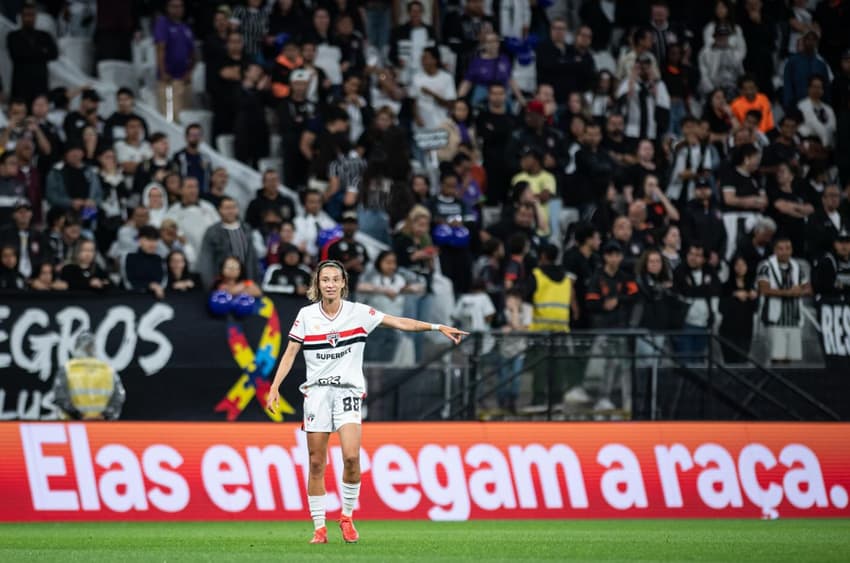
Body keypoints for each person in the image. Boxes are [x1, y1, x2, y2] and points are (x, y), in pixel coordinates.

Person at [265, 260, 466, 543]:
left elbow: (399, 322)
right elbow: (290, 352)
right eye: (325, 280)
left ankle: (346, 516)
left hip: (347, 392)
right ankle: (319, 528)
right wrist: (275, 386)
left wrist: (436, 326)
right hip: (317, 394)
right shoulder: (306, 315)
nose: (330, 284)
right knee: (316, 462)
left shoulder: (359, 313)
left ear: (344, 283)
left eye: (336, 279)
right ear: (318, 284)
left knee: (351, 457)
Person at [757, 237, 811, 363]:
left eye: (788, 248)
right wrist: (788, 293)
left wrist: (800, 291)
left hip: (794, 319)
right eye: (781, 249)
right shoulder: (766, 266)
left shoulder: (797, 267)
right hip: (775, 319)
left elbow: (808, 289)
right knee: (776, 358)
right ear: (775, 250)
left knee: (791, 360)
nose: (785, 252)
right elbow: (764, 289)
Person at [51, 331, 125, 420]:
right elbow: (118, 398)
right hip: (101, 425)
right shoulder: (108, 370)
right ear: (94, 348)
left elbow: (60, 398)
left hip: (73, 424)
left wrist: (79, 416)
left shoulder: (67, 370)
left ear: (76, 347)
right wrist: (104, 415)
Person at [198, 196, 260, 288]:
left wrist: (254, 281)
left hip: (246, 282)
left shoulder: (246, 229)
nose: (230, 211)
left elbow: (252, 257)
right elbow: (207, 260)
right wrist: (211, 284)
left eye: (233, 207)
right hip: (221, 283)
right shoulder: (212, 231)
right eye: (227, 208)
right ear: (220, 210)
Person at [6, 1, 58, 104]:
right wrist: (41, 52)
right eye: (26, 15)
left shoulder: (44, 36)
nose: (29, 19)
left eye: (32, 15)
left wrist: (29, 53)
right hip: (21, 84)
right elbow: (16, 55)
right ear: (21, 17)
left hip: (40, 83)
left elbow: (54, 54)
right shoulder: (13, 36)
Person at [154, 0, 195, 119]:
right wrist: (163, 72)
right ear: (167, 8)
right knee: (170, 117)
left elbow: (193, 54)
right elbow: (160, 49)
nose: (177, 9)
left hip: (184, 81)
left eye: (180, 6)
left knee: (186, 118)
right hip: (168, 81)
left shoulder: (186, 28)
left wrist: (189, 73)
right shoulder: (162, 24)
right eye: (174, 6)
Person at [719, 254, 758, 363]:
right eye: (738, 265)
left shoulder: (751, 286)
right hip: (728, 331)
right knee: (730, 362)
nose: (740, 267)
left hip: (745, 331)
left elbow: (755, 309)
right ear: (733, 267)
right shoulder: (726, 286)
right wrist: (734, 295)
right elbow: (721, 308)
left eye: (743, 264)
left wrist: (754, 297)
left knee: (743, 361)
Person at [123, 225, 167, 299]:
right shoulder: (130, 258)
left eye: (155, 240)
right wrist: (149, 286)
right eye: (149, 240)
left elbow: (163, 281)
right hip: (133, 299)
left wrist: (157, 287)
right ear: (140, 241)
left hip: (157, 299)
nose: (152, 244)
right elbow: (127, 283)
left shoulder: (159, 259)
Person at [812, 229, 850, 298]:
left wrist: (842, 286)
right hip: (831, 302)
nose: (844, 245)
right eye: (841, 241)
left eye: (847, 241)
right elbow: (824, 288)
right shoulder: (827, 261)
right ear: (834, 244)